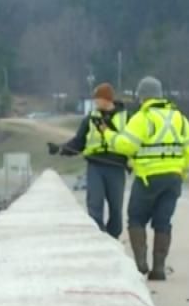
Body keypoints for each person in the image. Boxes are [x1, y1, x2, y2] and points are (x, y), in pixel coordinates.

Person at [100, 76, 189, 281]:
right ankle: (159, 269)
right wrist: (182, 172)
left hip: (148, 178)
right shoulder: (180, 119)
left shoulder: (143, 118)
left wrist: (108, 134)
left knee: (136, 218)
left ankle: (141, 263)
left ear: (142, 97)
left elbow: (127, 145)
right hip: (173, 179)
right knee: (163, 222)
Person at [47, 82, 129, 238]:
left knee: (116, 207)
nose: (95, 102)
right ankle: (98, 236)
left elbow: (133, 142)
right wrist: (60, 148)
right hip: (95, 166)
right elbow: (78, 142)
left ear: (107, 99)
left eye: (97, 99)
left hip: (116, 166)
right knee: (94, 204)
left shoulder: (127, 118)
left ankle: (114, 237)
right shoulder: (90, 119)